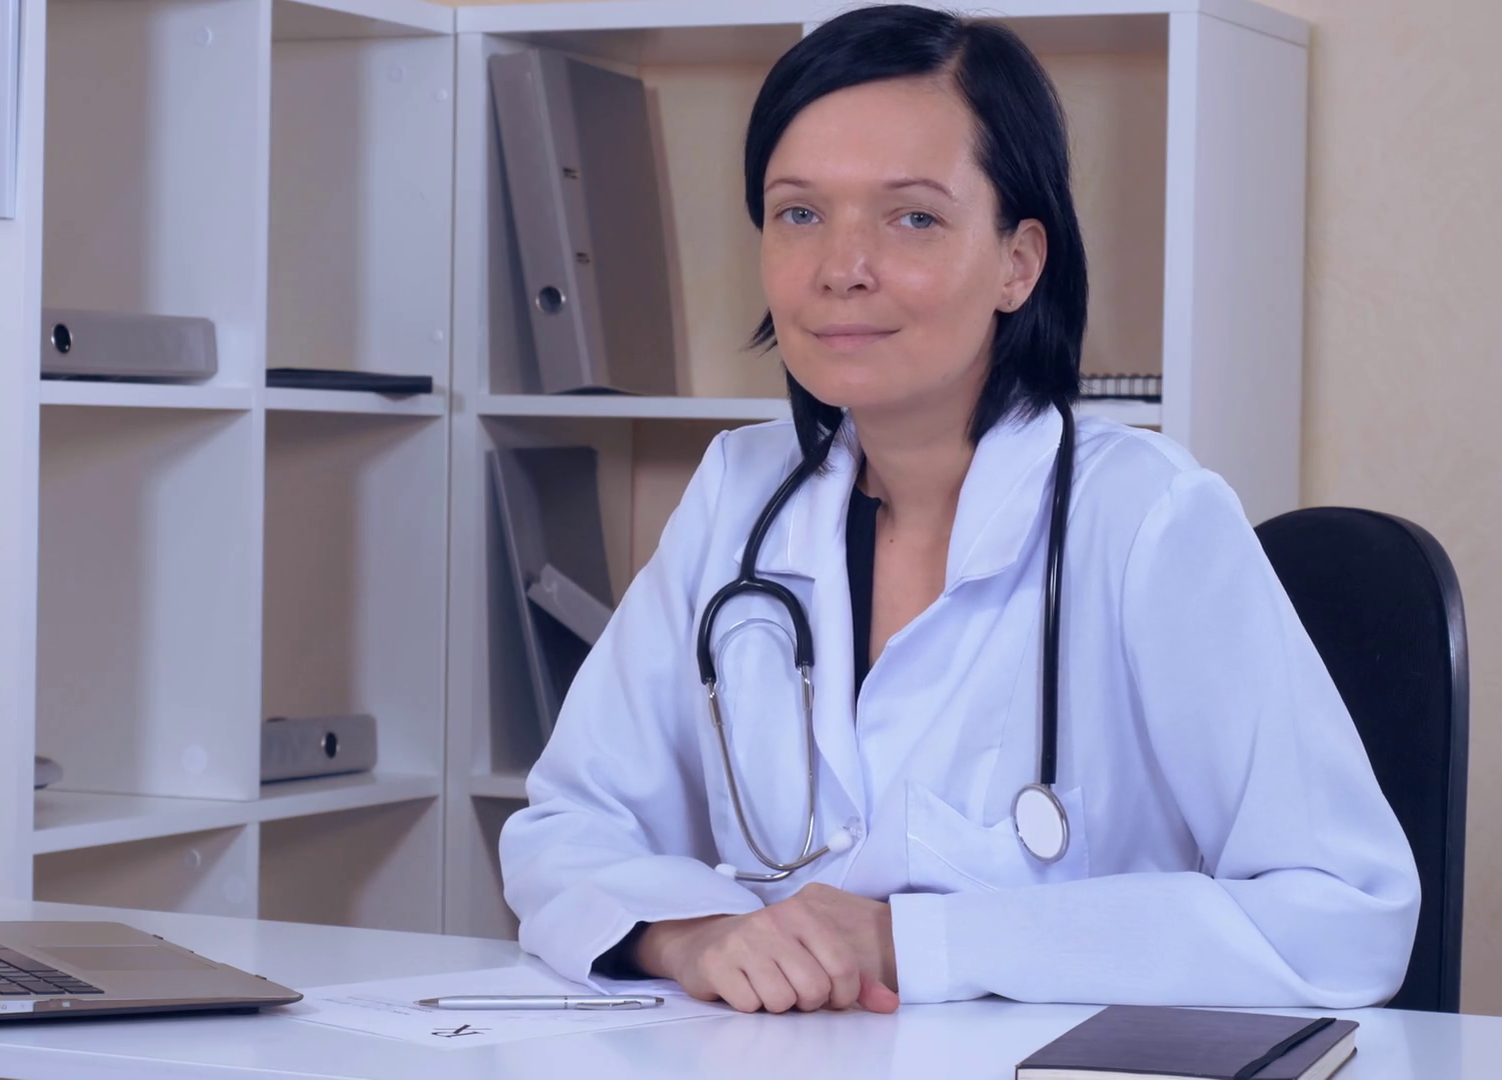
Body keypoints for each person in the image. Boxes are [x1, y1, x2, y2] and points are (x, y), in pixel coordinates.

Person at [498, 4, 1421, 1015]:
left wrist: (909, 941)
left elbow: (1344, 916)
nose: (841, 268)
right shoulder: (739, 492)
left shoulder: (1147, 518)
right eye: (799, 214)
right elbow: (566, 827)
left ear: (1019, 262)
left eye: (913, 218)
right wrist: (692, 936)